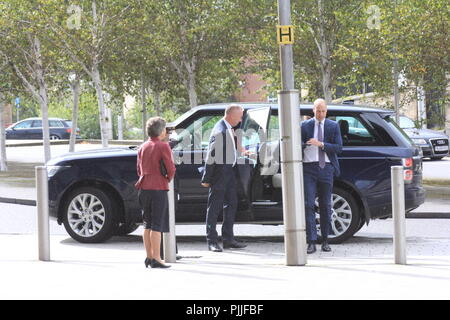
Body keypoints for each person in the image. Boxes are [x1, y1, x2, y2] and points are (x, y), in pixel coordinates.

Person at [201, 105, 247, 252]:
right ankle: (212, 241)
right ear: (231, 116)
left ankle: (228, 239)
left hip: (229, 172)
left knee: (231, 204)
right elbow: (211, 156)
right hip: (219, 174)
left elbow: (230, 148)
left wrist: (242, 152)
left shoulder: (228, 128)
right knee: (214, 208)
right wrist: (206, 178)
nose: (241, 119)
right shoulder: (220, 130)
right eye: (239, 116)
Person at [301, 99, 343, 254]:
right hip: (309, 168)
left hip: (326, 168)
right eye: (318, 111)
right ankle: (311, 241)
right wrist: (305, 144)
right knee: (308, 205)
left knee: (326, 205)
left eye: (323, 111)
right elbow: (297, 145)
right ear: (313, 110)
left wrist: (321, 144)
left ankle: (325, 240)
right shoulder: (304, 126)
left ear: (326, 111)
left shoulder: (333, 126)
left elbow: (339, 148)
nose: (320, 114)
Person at [135, 117, 176, 268]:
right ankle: (157, 258)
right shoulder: (163, 146)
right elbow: (171, 168)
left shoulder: (143, 146)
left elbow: (139, 169)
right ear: (162, 131)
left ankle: (149, 256)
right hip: (158, 187)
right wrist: (167, 178)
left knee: (147, 223)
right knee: (157, 224)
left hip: (144, 186)